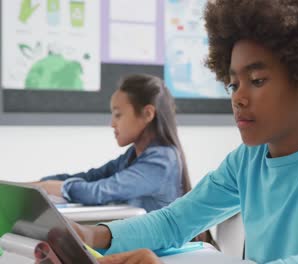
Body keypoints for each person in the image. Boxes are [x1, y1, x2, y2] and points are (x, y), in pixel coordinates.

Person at [74, 0, 298, 263]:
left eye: (257, 80)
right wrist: (91, 234)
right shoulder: (247, 160)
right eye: (233, 84)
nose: (238, 98)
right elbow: (175, 221)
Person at [33, 74, 191, 213]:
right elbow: (91, 177)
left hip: (155, 247)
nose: (112, 124)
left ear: (147, 114)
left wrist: (60, 188)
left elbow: (101, 191)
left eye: (118, 115)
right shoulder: (132, 156)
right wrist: (42, 183)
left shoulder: (162, 160)